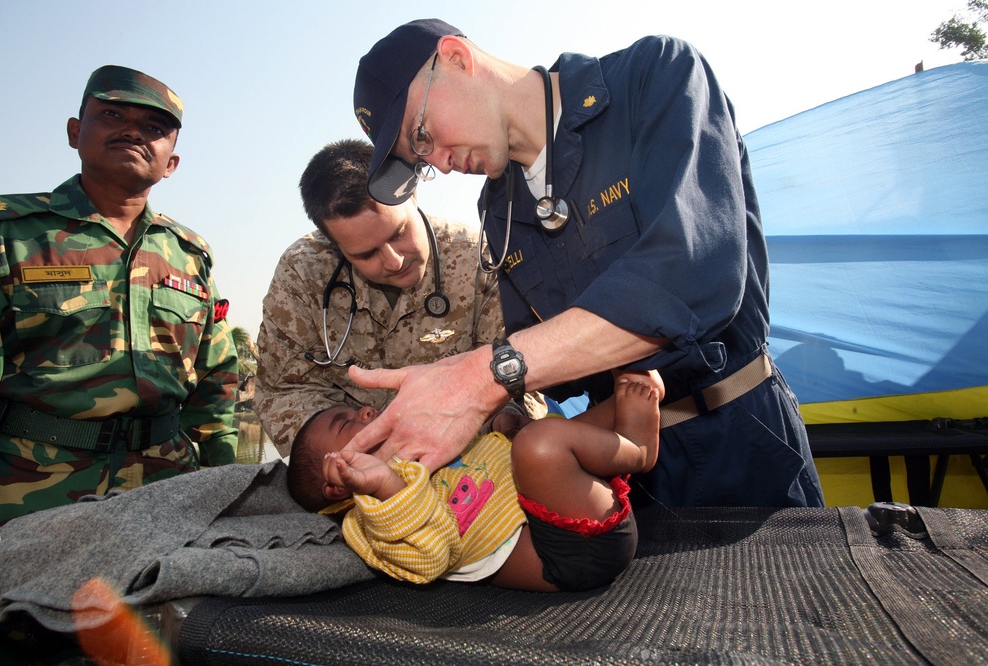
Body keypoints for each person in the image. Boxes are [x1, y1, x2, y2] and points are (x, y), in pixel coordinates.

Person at [346, 19, 824, 508]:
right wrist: (493, 405)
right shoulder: (498, 206)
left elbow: (692, 277)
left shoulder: (653, 77)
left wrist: (480, 377)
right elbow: (554, 358)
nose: (442, 164)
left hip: (741, 440)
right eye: (423, 162)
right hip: (619, 469)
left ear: (455, 58)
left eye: (422, 135)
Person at [0, 66, 238, 529]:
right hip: (29, 492)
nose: (132, 132)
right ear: (75, 132)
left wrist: (223, 490)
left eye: (154, 128)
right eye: (111, 114)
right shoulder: (6, 233)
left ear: (171, 163)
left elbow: (215, 383)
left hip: (167, 493)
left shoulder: (189, 254)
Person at [254, 139, 544, 458]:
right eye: (365, 254)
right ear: (334, 244)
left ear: (412, 193)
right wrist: (351, 455)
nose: (394, 260)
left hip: (466, 466)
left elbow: (520, 380)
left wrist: (499, 425)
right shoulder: (302, 272)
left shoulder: (480, 260)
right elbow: (282, 393)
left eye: (397, 234)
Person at [288, 369, 662, 591]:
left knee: (538, 434)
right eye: (345, 424)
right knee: (540, 445)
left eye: (356, 408)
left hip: (552, 507)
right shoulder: (370, 521)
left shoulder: (420, 455)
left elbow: (491, 468)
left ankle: (630, 409)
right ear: (336, 485)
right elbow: (432, 556)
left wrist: (504, 430)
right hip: (573, 554)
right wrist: (384, 486)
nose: (365, 410)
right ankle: (639, 450)